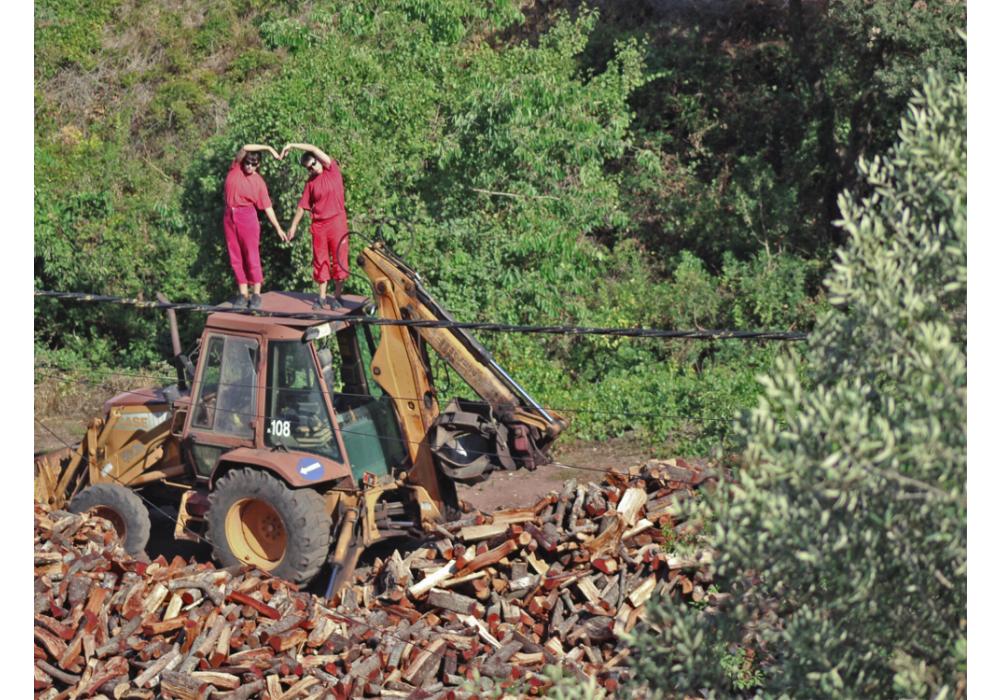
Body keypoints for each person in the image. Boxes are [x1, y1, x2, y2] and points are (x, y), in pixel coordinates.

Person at [282, 142, 350, 310]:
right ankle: (321, 297)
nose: (312, 168)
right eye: (309, 168)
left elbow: (313, 148)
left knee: (339, 259)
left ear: (319, 160)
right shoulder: (311, 183)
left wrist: (292, 145)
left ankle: (338, 296)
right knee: (320, 260)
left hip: (337, 221)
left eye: (313, 163)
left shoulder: (332, 170)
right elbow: (302, 206)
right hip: (319, 225)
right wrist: (293, 226)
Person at [223, 144, 286, 310]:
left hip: (247, 216)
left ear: (258, 165)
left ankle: (256, 293)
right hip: (230, 215)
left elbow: (267, 207)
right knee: (235, 256)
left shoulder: (258, 182)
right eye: (247, 163)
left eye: (253, 164)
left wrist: (278, 227)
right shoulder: (236, 168)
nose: (249, 166)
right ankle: (243, 293)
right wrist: (270, 149)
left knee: (251, 255)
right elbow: (245, 147)